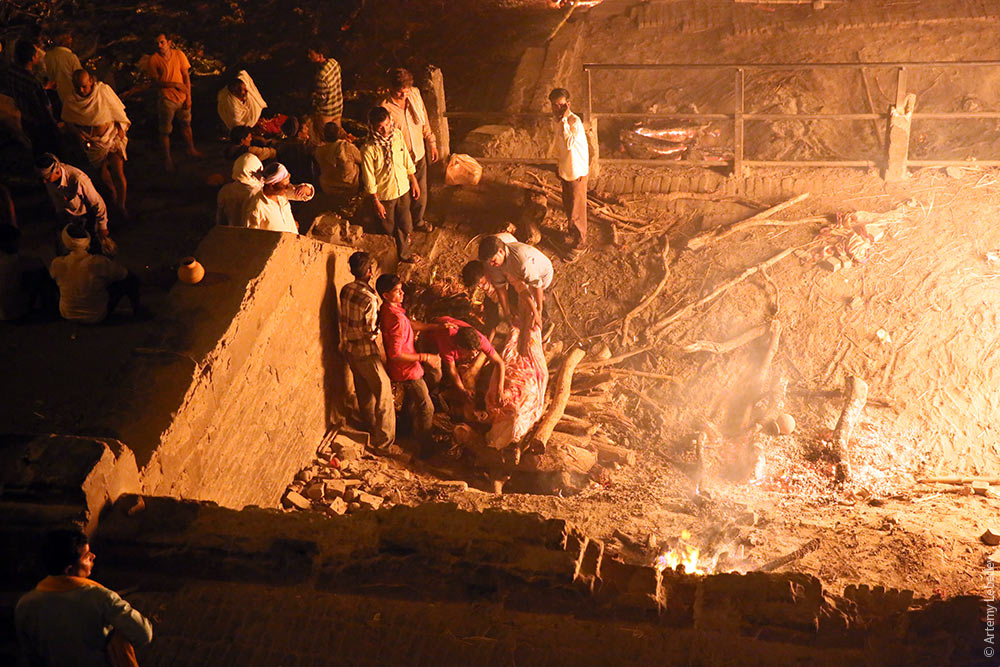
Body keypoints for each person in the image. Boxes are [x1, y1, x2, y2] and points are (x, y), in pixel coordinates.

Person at [15, 529, 153, 667]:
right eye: (86, 556)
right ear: (69, 570)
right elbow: (143, 634)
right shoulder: (101, 598)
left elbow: (30, 655)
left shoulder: (25, 604)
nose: (93, 556)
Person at [375, 273, 444, 440]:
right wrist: (425, 357)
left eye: (401, 290)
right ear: (385, 295)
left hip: (408, 366)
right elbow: (395, 354)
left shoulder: (390, 309)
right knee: (427, 408)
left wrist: (435, 327)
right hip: (406, 370)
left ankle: (404, 429)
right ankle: (425, 447)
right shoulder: (395, 318)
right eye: (397, 291)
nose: (402, 293)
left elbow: (410, 324)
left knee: (411, 400)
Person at [340, 251, 394, 450]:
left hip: (349, 348)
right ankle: (384, 443)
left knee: (363, 389)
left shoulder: (345, 289)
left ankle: (369, 426)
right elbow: (370, 332)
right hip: (365, 351)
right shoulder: (371, 299)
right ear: (369, 271)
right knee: (384, 393)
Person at [485, 295, 548, 456]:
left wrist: (502, 391)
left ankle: (523, 313)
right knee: (531, 335)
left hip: (513, 371)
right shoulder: (524, 415)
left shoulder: (494, 409)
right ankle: (530, 310)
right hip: (528, 375)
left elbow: (495, 381)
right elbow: (533, 393)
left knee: (514, 337)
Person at [61, 70, 130, 212]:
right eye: (77, 87)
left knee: (118, 172)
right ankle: (113, 194)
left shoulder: (103, 91)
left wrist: (120, 127)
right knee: (102, 175)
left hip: (111, 137)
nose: (81, 90)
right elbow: (68, 121)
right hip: (93, 144)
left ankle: (122, 205)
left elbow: (117, 109)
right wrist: (79, 133)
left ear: (91, 81)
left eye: (84, 86)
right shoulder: (71, 100)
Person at [49, 223, 143, 323]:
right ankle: (138, 311)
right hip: (96, 315)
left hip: (67, 314)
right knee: (130, 279)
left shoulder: (57, 263)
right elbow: (124, 274)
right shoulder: (98, 262)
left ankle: (53, 308)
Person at [382, 67, 438, 232]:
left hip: (419, 153)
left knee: (421, 194)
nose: (404, 95)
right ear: (391, 88)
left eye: (406, 91)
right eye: (400, 92)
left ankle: (419, 221)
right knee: (403, 199)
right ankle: (404, 230)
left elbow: (424, 120)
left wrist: (431, 141)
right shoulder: (385, 107)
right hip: (400, 161)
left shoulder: (414, 94)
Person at [361, 106, 420, 263]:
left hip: (403, 190)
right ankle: (391, 257)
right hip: (385, 195)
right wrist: (376, 201)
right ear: (372, 126)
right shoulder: (368, 148)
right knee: (387, 228)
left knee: (405, 225)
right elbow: (369, 177)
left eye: (387, 124)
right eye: (380, 127)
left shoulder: (397, 136)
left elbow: (406, 158)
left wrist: (413, 180)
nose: (385, 129)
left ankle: (404, 254)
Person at [477, 234, 553, 353]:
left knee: (540, 310)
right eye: (489, 263)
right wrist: (507, 313)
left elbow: (536, 285)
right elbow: (501, 289)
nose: (491, 265)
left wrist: (537, 310)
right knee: (518, 303)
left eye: (493, 261)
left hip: (540, 276)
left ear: (501, 251)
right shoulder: (494, 263)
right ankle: (522, 331)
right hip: (516, 275)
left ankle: (545, 335)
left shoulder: (521, 261)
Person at [425, 316, 504, 415]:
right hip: (431, 338)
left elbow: (499, 363)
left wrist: (500, 390)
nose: (474, 355)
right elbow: (452, 370)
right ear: (460, 348)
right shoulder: (446, 341)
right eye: (471, 352)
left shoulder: (480, 339)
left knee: (469, 367)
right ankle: (433, 394)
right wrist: (462, 390)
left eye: (476, 351)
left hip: (452, 329)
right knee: (435, 372)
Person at [146, 33, 201, 171]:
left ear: (169, 42)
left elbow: (186, 76)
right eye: (157, 43)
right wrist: (174, 84)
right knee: (165, 130)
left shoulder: (179, 55)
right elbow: (155, 82)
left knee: (186, 124)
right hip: (167, 99)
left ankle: (191, 149)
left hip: (182, 97)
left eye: (162, 42)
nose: (159, 46)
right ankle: (167, 158)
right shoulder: (154, 60)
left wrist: (189, 96)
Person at [549, 87, 589, 262]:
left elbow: (569, 144)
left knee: (577, 210)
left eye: (560, 105)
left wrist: (564, 120)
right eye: (554, 105)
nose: (557, 108)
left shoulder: (573, 122)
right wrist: (559, 168)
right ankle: (573, 235)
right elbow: (560, 148)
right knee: (568, 205)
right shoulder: (559, 122)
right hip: (566, 170)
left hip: (576, 172)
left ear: (567, 104)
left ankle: (581, 243)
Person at [36, 153, 109, 249]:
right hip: (67, 217)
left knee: (91, 248)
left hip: (85, 217)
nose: (45, 182)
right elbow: (56, 200)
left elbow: (97, 203)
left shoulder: (78, 179)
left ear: (57, 172)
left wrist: (102, 227)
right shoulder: (49, 179)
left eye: (46, 178)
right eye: (42, 178)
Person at [0, 39, 59, 153]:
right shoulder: (34, 82)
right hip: (38, 122)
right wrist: (55, 126)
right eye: (37, 53)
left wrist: (45, 86)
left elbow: (22, 88)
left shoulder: (10, 72)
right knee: (46, 147)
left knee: (33, 144)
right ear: (33, 59)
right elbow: (45, 109)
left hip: (22, 117)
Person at [242, 161, 314, 234]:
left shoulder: (281, 195)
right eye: (285, 186)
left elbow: (307, 194)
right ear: (272, 185)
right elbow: (251, 237)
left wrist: (305, 188)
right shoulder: (257, 207)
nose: (288, 187)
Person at [0, 225, 54, 320]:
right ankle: (49, 307)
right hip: (14, 312)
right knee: (41, 273)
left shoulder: (8, 258)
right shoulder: (11, 260)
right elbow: (41, 263)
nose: (18, 244)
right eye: (15, 241)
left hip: (2, 314)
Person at [216, 152, 263, 227]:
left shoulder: (225, 190)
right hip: (251, 235)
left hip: (230, 234)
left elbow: (221, 220)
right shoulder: (257, 193)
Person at [314, 121, 362, 194]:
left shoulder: (318, 151)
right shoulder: (347, 147)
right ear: (339, 133)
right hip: (349, 187)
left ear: (323, 135)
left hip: (328, 188)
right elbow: (362, 160)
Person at [307, 42, 342, 137]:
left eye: (311, 54)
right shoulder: (334, 63)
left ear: (320, 55)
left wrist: (313, 99)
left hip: (327, 113)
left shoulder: (321, 76)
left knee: (325, 138)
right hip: (338, 107)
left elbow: (322, 99)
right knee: (336, 136)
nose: (309, 56)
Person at [43, 28, 82, 104]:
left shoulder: (48, 55)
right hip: (72, 96)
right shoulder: (71, 57)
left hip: (56, 96)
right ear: (64, 40)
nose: (71, 40)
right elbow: (79, 77)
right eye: (69, 37)